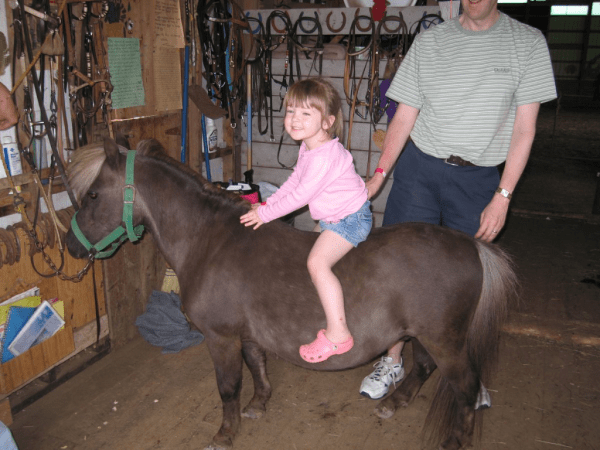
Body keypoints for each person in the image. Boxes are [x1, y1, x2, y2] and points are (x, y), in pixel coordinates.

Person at [359, 0, 557, 400]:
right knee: (399, 265)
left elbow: (525, 130)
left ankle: (463, 369)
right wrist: (379, 174)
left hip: (478, 177)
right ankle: (393, 359)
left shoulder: (528, 42)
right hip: (420, 169)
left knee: (468, 280)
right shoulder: (432, 41)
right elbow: (404, 114)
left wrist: (503, 196)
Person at [240, 78, 372, 363]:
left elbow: (300, 196)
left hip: (348, 220)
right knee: (306, 253)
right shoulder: (310, 147)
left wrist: (264, 214)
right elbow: (294, 182)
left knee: (316, 263)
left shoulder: (324, 156)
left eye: (305, 113)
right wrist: (267, 205)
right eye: (290, 111)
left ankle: (339, 334)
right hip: (332, 216)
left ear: (327, 122)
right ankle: (322, 305)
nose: (294, 120)